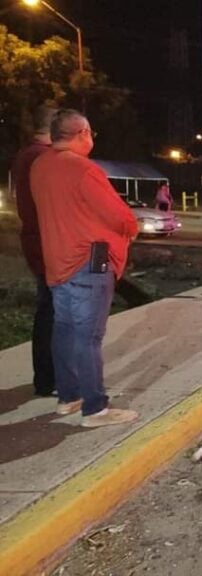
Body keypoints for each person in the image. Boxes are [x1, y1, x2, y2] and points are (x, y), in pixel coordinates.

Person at [30, 109, 139, 427]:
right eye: (90, 133)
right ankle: (95, 408)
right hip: (87, 263)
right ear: (81, 133)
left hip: (57, 262)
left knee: (63, 330)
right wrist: (131, 228)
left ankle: (69, 397)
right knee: (88, 337)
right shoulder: (82, 169)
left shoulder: (40, 165)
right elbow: (119, 216)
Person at [12, 105, 56, 398]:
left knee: (48, 308)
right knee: (52, 311)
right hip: (48, 241)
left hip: (36, 238)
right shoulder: (42, 158)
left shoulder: (26, 155)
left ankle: (47, 377)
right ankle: (48, 379)